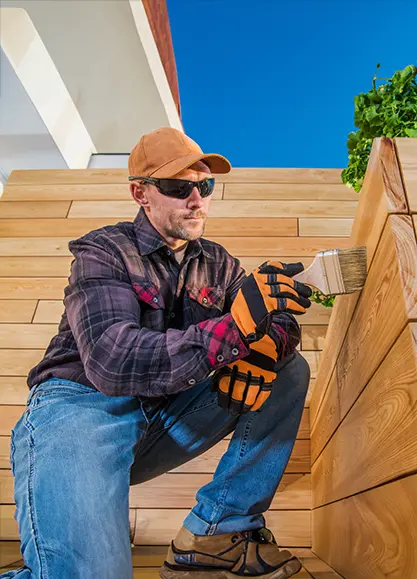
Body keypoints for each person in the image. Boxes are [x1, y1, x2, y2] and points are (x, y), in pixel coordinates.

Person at [2, 127, 312, 579]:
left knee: (287, 370)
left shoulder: (218, 263)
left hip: (162, 420)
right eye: (177, 186)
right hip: (80, 410)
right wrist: (239, 327)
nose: (196, 198)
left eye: (204, 185)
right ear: (140, 193)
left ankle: (215, 537)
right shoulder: (104, 250)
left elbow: (279, 323)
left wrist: (262, 349)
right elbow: (112, 358)